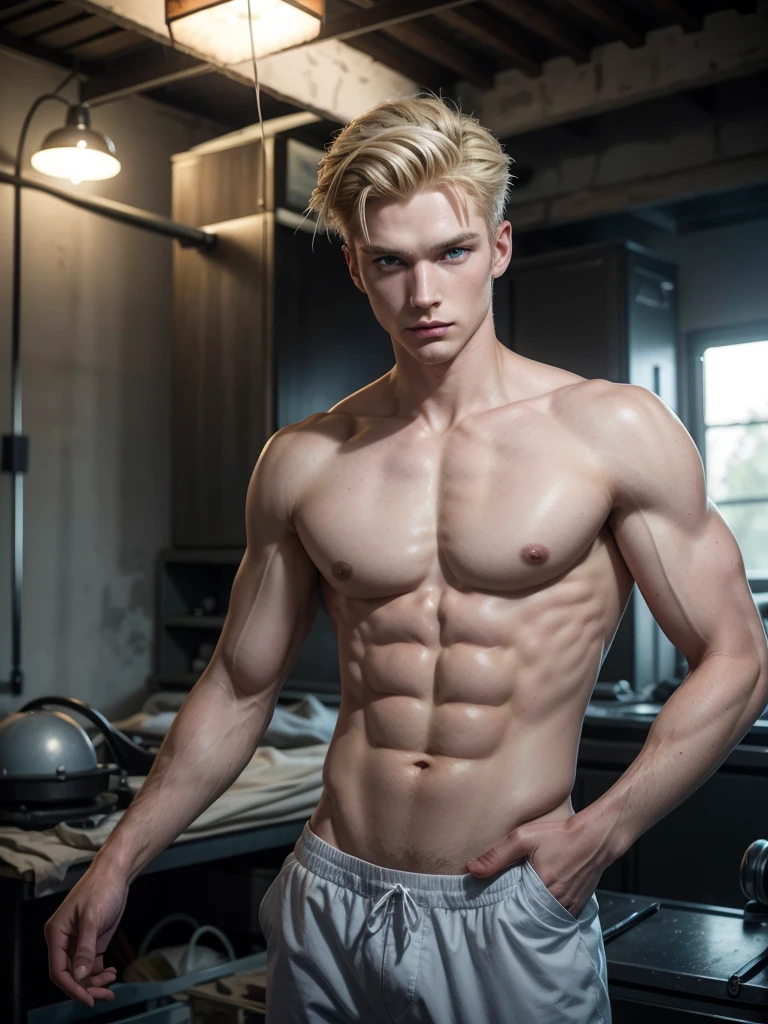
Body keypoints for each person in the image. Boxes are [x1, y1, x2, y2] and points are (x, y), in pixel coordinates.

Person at [45, 95, 768, 1024]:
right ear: (356, 266)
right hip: (330, 894)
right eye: (390, 262)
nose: (422, 294)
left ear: (498, 248)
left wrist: (600, 834)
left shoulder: (611, 432)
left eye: (451, 254)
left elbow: (738, 660)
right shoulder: (304, 460)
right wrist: (116, 861)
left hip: (508, 904)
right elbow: (237, 684)